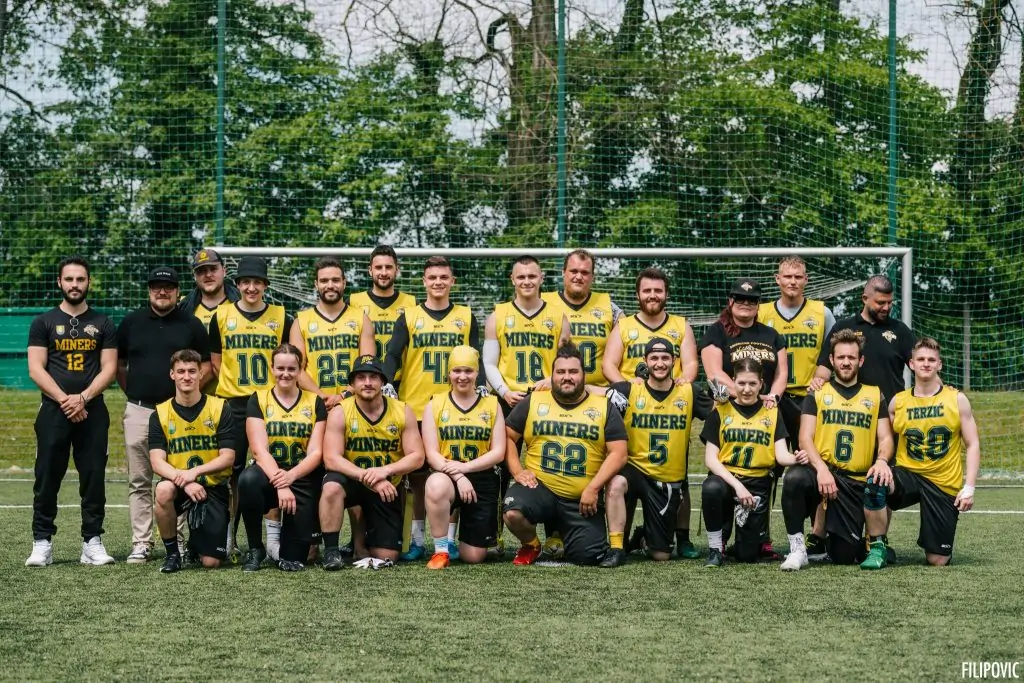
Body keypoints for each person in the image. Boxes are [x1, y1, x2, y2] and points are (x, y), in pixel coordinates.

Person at [381, 255, 481, 561]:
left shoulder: (466, 316)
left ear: (452, 281)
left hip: (455, 406)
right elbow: (393, 354)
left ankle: (448, 540)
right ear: (424, 282)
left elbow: (475, 356)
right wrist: (386, 381)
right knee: (417, 478)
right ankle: (417, 540)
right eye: (432, 277)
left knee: (450, 469)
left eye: (443, 277)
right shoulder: (409, 316)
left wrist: (481, 386)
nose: (438, 282)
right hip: (416, 405)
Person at [25, 256, 118, 568]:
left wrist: (83, 398)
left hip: (93, 410)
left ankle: (92, 542)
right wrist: (66, 400)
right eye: (69, 279)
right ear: (59, 282)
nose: (75, 285)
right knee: (47, 476)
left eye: (80, 279)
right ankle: (42, 542)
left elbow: (109, 369)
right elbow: (36, 369)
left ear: (88, 282)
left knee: (93, 477)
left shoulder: (103, 323)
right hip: (54, 410)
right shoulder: (43, 322)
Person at [116, 266, 211, 564]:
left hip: (178, 413)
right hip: (140, 409)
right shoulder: (131, 323)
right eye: (156, 286)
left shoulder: (191, 324)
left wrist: (185, 397)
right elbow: (119, 366)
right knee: (139, 479)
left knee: (177, 479)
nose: (162, 291)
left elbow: (207, 366)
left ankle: (177, 541)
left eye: (168, 287)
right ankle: (141, 543)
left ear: (177, 291)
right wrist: (136, 392)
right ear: (148, 290)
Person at [603, 266, 700, 557]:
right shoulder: (624, 326)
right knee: (625, 471)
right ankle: (620, 539)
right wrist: (625, 385)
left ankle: (681, 537)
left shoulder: (681, 325)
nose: (652, 295)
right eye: (647, 290)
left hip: (671, 406)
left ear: (666, 294)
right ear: (638, 294)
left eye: (658, 290)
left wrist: (684, 384)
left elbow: (691, 363)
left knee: (678, 477)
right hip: (634, 407)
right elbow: (609, 364)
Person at [860, 337, 981, 569]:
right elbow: (884, 438)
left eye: (931, 360)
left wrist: (969, 487)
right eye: (921, 359)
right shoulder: (898, 402)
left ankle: (935, 543)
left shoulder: (956, 399)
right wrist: (881, 462)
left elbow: (973, 443)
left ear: (939, 365)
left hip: (943, 481)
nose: (926, 363)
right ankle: (876, 547)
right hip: (909, 475)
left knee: (938, 560)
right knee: (876, 480)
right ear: (911, 364)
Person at [502, 343, 628, 566]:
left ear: (583, 375)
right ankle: (531, 544)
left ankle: (566, 536)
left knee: (588, 556)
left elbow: (619, 453)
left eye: (573, 372)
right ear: (552, 376)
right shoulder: (534, 401)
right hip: (540, 488)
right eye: (560, 372)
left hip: (580, 498)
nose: (566, 377)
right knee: (513, 511)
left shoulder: (604, 406)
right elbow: (508, 437)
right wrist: (517, 471)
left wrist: (593, 488)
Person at [779, 329, 892, 570]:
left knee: (843, 555)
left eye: (851, 357)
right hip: (824, 473)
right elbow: (805, 438)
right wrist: (821, 469)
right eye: (841, 357)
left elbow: (885, 438)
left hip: (854, 481)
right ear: (831, 360)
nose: (846, 362)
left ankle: (834, 539)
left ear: (861, 360)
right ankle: (798, 548)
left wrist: (881, 460)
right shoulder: (818, 392)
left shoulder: (874, 395)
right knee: (795, 478)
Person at [484, 255, 570, 557]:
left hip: (546, 400)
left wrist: (551, 379)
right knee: (500, 469)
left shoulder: (558, 316)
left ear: (542, 278)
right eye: (521, 276)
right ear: (512, 279)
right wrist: (504, 391)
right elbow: (489, 363)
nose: (526, 281)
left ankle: (555, 533)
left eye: (532, 276)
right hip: (510, 399)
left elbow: (566, 362)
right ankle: (495, 533)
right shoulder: (498, 315)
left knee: (551, 464)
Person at [208, 255, 293, 559]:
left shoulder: (282, 317)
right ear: (238, 284)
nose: (252, 288)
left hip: (270, 404)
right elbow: (216, 362)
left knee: (271, 468)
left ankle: (272, 538)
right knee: (230, 471)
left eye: (257, 282)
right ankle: (227, 536)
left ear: (265, 285)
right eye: (246, 282)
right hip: (233, 403)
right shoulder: (221, 316)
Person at [599, 338, 711, 567]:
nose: (660, 363)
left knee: (661, 555)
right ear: (645, 361)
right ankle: (616, 548)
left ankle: (643, 538)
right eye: (654, 358)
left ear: (674, 361)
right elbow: (596, 392)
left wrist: (755, 398)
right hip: (634, 469)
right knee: (616, 481)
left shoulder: (689, 391)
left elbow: (719, 412)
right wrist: (552, 383)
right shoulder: (629, 389)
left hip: (664, 478)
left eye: (665, 358)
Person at [699, 276, 789, 560]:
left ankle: (760, 536)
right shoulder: (716, 331)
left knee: (768, 472)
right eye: (740, 298)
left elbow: (782, 373)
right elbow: (714, 372)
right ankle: (719, 538)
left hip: (765, 411)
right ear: (731, 301)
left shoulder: (771, 334)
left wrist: (772, 397)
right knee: (719, 478)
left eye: (752, 300)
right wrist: (746, 394)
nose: (746, 304)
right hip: (732, 409)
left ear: (759, 304)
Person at [319, 355, 425, 569]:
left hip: (387, 487)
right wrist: (368, 477)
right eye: (361, 377)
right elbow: (331, 458)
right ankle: (331, 551)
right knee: (331, 486)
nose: (367, 382)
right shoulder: (340, 411)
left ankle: (362, 539)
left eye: (373, 377)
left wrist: (384, 471)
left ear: (383, 381)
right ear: (352, 383)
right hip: (352, 480)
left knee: (386, 556)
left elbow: (417, 456)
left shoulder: (402, 410)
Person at [699, 358, 806, 567]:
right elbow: (711, 459)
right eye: (741, 383)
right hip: (727, 480)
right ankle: (715, 548)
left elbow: (780, 455)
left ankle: (742, 542)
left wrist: (796, 458)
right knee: (711, 487)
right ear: (733, 382)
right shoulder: (720, 411)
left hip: (757, 484)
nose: (746, 389)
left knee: (747, 555)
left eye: (752, 383)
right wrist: (738, 486)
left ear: (761, 384)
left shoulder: (772, 412)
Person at [238, 344, 328, 572]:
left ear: (300, 370)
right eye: (280, 368)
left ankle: (287, 544)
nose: (285, 374)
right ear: (272, 368)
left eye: (291, 368)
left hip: (301, 476)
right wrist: (281, 483)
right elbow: (259, 450)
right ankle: (255, 548)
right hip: (269, 474)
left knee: (295, 557)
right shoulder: (258, 399)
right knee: (248, 480)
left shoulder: (314, 402)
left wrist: (291, 477)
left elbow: (316, 453)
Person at [149, 349, 236, 573]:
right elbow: (157, 462)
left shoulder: (219, 407)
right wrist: (186, 481)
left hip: (212, 487)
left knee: (211, 563)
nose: (186, 377)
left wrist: (194, 473)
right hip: (180, 484)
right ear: (172, 375)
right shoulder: (160, 413)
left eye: (191, 371)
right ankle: (172, 555)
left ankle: (196, 544)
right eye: (181, 371)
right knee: (163, 490)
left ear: (201, 373)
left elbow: (228, 457)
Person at [421, 346, 506, 568]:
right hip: (447, 475)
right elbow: (431, 454)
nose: (462, 376)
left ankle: (467, 539)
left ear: (477, 373)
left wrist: (466, 469)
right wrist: (459, 476)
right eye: (457, 370)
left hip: (481, 477)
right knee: (435, 484)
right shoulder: (435, 404)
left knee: (473, 557)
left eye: (468, 371)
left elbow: (498, 452)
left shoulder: (492, 404)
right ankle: (441, 550)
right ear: (448, 373)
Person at [757, 256, 835, 446]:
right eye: (788, 276)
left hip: (809, 396)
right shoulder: (761, 313)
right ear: (778, 279)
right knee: (771, 457)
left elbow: (834, 352)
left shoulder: (822, 313)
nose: (793, 282)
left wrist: (822, 377)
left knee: (809, 455)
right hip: (772, 397)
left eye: (798, 277)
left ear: (806, 280)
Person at [811, 275, 914, 404]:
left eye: (889, 302)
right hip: (852, 411)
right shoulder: (842, 327)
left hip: (892, 411)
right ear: (865, 299)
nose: (886, 308)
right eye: (880, 303)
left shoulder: (900, 330)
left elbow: (923, 366)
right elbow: (824, 368)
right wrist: (819, 381)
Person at [290, 257, 375, 406]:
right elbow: (296, 369)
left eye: (335, 280)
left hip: (354, 403)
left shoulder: (362, 319)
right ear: (316, 284)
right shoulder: (300, 322)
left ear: (344, 283)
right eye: (324, 281)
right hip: (314, 404)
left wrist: (345, 395)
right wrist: (321, 397)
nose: (330, 285)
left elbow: (367, 366)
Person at [541, 249, 622, 387]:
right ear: (563, 272)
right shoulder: (542, 304)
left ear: (592, 277)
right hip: (553, 391)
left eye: (584, 272)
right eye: (574, 271)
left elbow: (630, 337)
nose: (578, 277)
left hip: (599, 392)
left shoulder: (610, 308)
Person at [350, 245, 417, 370]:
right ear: (370, 270)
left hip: (401, 379)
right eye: (378, 267)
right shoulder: (353, 302)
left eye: (389, 267)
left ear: (397, 270)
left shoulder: (412, 304)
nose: (384, 272)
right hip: (366, 377)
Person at [178, 248, 240, 330]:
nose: (208, 275)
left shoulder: (242, 301)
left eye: (213, 269)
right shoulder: (183, 308)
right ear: (194, 276)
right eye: (201, 270)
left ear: (224, 271)